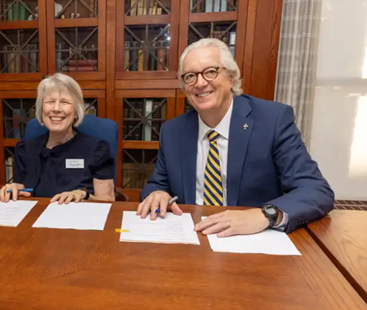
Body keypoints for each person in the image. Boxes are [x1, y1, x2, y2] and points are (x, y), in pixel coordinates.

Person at [137, 38, 334, 236]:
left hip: (252, 239)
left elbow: (315, 190)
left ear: (231, 77)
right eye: (190, 76)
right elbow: (157, 184)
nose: (200, 83)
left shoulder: (272, 120)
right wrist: (157, 194)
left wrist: (264, 215)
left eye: (210, 72)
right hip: (192, 235)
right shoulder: (173, 131)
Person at [0, 73, 115, 204]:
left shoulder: (97, 150)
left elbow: (107, 202)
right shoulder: (25, 149)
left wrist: (83, 195)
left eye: (64, 102)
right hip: (34, 220)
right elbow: (23, 190)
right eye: (50, 102)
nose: (56, 109)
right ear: (42, 109)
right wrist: (13, 189)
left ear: (76, 111)